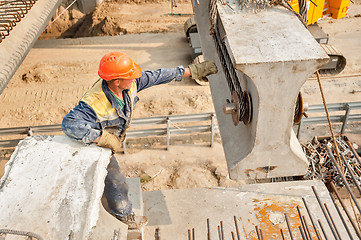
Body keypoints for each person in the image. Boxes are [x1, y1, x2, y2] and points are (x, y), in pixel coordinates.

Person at [61, 51, 217, 229]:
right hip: (95, 144)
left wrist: (191, 71)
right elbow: (69, 124)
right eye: (130, 75)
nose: (135, 77)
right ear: (117, 81)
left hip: (108, 138)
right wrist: (101, 138)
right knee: (116, 180)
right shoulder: (95, 101)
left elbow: (157, 76)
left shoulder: (129, 85)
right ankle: (124, 215)